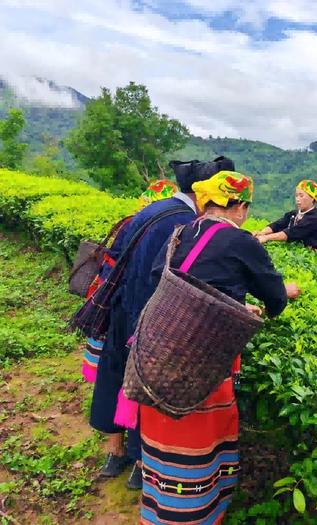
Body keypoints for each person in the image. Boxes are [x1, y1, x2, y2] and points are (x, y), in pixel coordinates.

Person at [140, 170, 301, 525]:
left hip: (158, 351)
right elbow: (274, 297)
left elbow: (165, 280)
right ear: (240, 205)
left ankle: (157, 510)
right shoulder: (242, 241)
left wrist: (233, 303)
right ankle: (192, 515)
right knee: (198, 437)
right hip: (204, 361)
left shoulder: (183, 232)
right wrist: (283, 295)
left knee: (163, 435)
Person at [90, 158, 231, 489]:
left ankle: (115, 452)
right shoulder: (186, 223)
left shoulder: (155, 208)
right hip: (151, 317)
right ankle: (141, 463)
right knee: (146, 388)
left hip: (122, 307)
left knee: (114, 375)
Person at [81, 180, 178, 383]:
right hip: (122, 294)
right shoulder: (157, 226)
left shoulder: (134, 221)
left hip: (112, 290)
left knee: (108, 346)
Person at [253, 179, 317, 250]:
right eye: (296, 195)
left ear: (312, 198)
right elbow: (277, 225)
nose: (297, 199)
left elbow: (291, 233)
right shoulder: (294, 214)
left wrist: (266, 238)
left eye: (301, 196)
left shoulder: (315, 218)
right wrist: (262, 232)